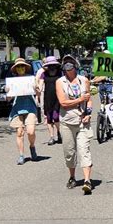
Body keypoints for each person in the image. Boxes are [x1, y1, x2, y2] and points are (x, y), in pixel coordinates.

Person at [56, 55, 93, 194]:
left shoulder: (84, 80)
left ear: (75, 65)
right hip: (67, 122)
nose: (68, 65)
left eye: (70, 62)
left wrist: (88, 113)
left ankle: (87, 181)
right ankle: (72, 177)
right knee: (69, 153)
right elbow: (63, 103)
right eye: (66, 63)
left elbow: (89, 99)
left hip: (82, 122)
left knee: (84, 150)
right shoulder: (60, 82)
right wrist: (80, 99)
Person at [7, 58, 38, 165]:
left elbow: (37, 93)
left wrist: (36, 89)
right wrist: (8, 91)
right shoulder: (12, 81)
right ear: (15, 69)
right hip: (17, 108)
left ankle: (32, 146)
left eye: (22, 66)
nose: (20, 68)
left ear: (25, 68)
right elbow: (9, 99)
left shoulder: (30, 79)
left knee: (31, 131)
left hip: (30, 107)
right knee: (19, 133)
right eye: (18, 67)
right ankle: (21, 155)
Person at [39, 56, 62, 145]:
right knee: (49, 118)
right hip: (48, 98)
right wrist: (38, 89)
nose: (52, 67)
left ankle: (60, 133)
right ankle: (52, 137)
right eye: (50, 65)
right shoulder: (44, 74)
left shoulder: (60, 73)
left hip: (58, 97)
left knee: (56, 117)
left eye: (53, 65)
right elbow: (40, 84)